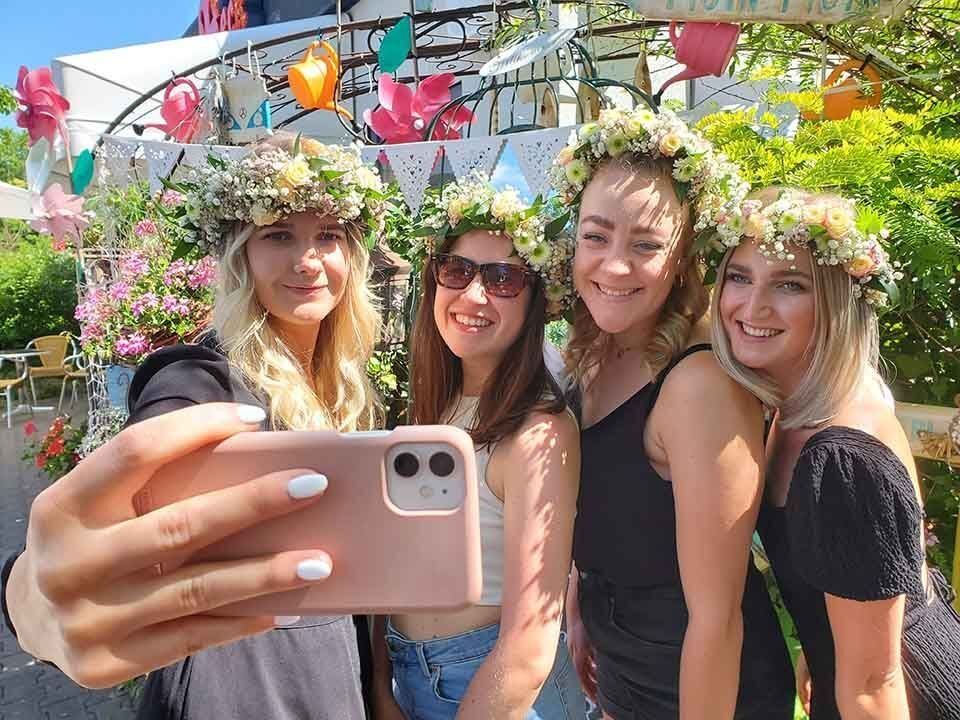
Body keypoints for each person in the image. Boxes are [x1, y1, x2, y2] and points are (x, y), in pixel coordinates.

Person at [1, 133, 387, 718]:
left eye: (327, 235)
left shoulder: (347, 385)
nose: (307, 260)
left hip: (336, 664)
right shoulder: (200, 375)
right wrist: (29, 593)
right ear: (241, 254)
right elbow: (136, 483)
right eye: (278, 234)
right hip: (240, 678)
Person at [551, 107, 795, 719]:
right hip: (622, 666)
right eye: (596, 236)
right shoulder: (596, 351)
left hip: (702, 689)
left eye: (646, 245)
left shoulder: (699, 386)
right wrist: (583, 604)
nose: (613, 265)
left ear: (684, 257)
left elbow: (718, 617)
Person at [709, 186, 960, 719]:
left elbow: (876, 682)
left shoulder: (842, 459)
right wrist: (825, 649)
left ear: (836, 300)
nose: (752, 307)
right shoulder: (807, 404)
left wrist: (844, 662)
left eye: (790, 285)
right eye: (739, 277)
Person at [371, 175, 585, 719]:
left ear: (536, 300)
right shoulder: (438, 407)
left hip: (493, 685)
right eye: (457, 270)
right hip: (410, 672)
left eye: (503, 278)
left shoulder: (539, 431)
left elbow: (530, 640)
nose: (472, 294)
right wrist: (380, 683)